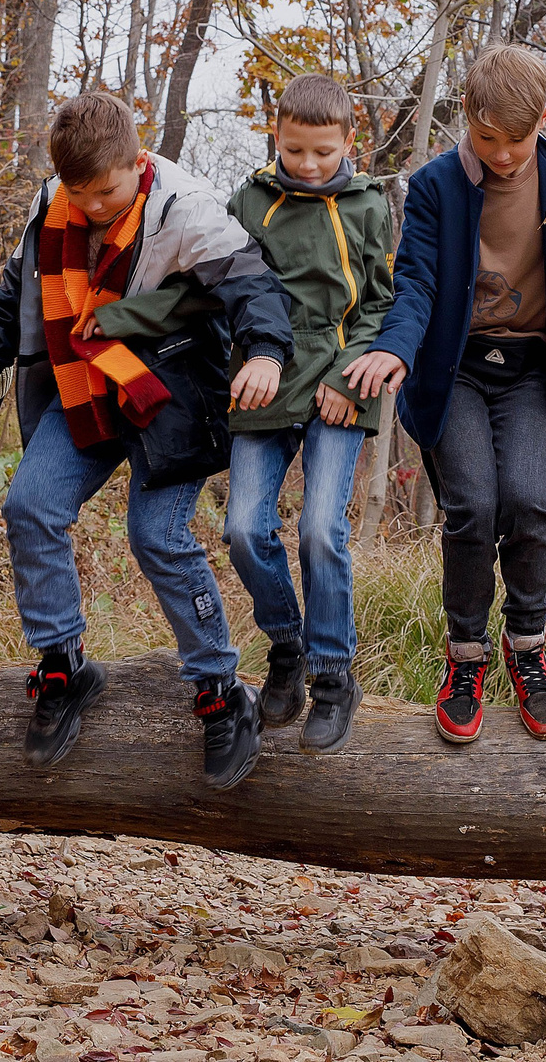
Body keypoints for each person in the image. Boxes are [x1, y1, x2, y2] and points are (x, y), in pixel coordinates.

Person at [0, 92, 295, 789]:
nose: (95, 206)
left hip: (170, 391)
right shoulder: (55, 198)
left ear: (136, 162)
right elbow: (19, 288)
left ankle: (222, 690)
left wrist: (265, 354)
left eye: (106, 190)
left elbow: (255, 287)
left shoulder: (185, 207)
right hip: (84, 385)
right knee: (30, 506)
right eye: (81, 194)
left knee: (155, 534)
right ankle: (64, 664)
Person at [340, 45, 546, 745]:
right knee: (474, 504)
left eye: (518, 139)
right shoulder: (436, 185)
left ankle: (527, 647)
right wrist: (393, 346)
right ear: (466, 121)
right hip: (456, 372)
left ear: (543, 119)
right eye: (487, 139)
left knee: (531, 501)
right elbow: (415, 280)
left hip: (531, 369)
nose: (504, 155)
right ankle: (467, 657)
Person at [223, 72, 396, 754]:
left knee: (322, 530)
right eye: (296, 151)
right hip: (265, 383)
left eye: (324, 151)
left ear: (349, 141)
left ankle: (332, 674)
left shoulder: (367, 204)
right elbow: (231, 292)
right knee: (242, 528)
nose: (310, 164)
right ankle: (287, 646)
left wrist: (348, 385)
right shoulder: (250, 201)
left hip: (341, 383)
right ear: (277, 137)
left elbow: (381, 304)